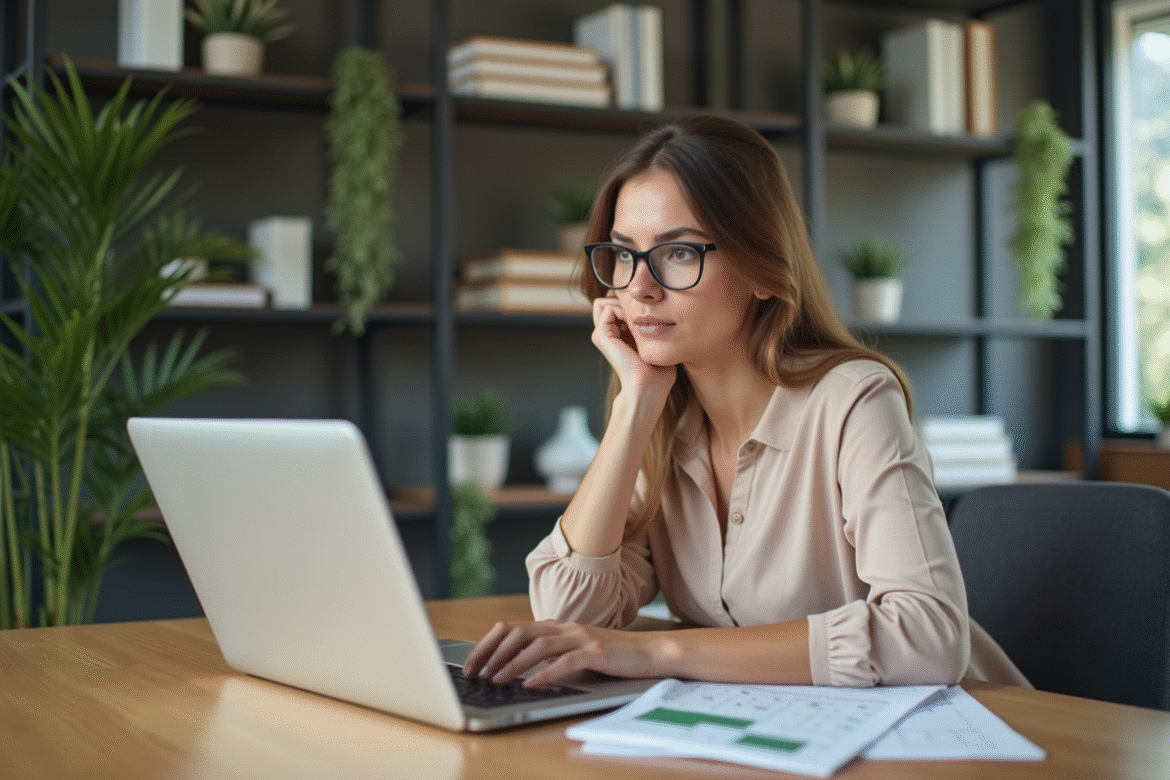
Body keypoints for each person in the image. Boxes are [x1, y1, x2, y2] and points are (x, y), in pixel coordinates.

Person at [462, 113, 1029, 690]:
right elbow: (568, 617)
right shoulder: (664, 419)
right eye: (625, 253)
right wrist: (635, 402)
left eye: (679, 253)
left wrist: (659, 652)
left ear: (762, 271)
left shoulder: (853, 400)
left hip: (954, 738)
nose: (639, 287)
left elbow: (927, 639)